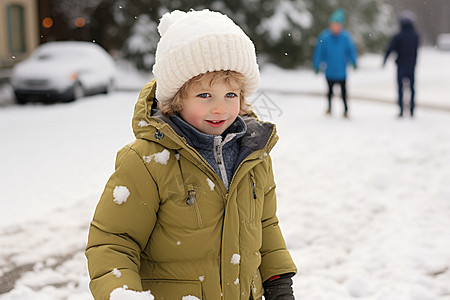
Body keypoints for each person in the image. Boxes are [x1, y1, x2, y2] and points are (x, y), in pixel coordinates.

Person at [85, 9, 297, 300]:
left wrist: (278, 281)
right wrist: (122, 294)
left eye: (231, 95)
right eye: (205, 95)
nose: (220, 108)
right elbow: (114, 242)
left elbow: (265, 224)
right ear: (176, 99)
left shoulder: (254, 153)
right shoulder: (147, 161)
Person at [313, 8, 358, 118]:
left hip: (341, 70)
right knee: (329, 91)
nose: (335, 27)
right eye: (333, 24)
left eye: (337, 25)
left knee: (343, 91)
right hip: (330, 70)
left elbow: (351, 50)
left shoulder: (345, 37)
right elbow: (319, 52)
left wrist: (354, 61)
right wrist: (317, 64)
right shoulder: (324, 37)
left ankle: (346, 110)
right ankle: (329, 107)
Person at [383, 13, 419, 118]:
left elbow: (390, 49)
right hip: (411, 65)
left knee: (400, 88)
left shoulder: (398, 36)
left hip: (401, 65)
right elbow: (416, 51)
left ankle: (401, 109)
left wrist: (385, 60)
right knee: (411, 88)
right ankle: (411, 109)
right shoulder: (415, 36)